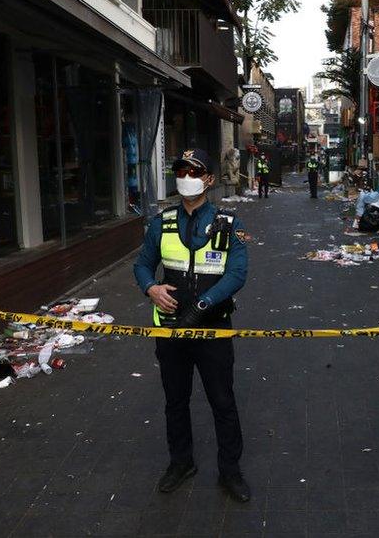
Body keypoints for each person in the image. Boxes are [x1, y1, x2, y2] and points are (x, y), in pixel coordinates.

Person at [133, 148, 251, 503]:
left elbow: (237, 273)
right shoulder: (161, 222)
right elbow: (142, 265)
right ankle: (180, 463)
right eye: (181, 170)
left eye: (194, 171)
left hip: (213, 329)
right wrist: (151, 288)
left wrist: (204, 304)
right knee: (175, 401)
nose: (186, 177)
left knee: (222, 402)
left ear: (209, 179)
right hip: (170, 330)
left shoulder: (228, 224)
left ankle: (230, 472)